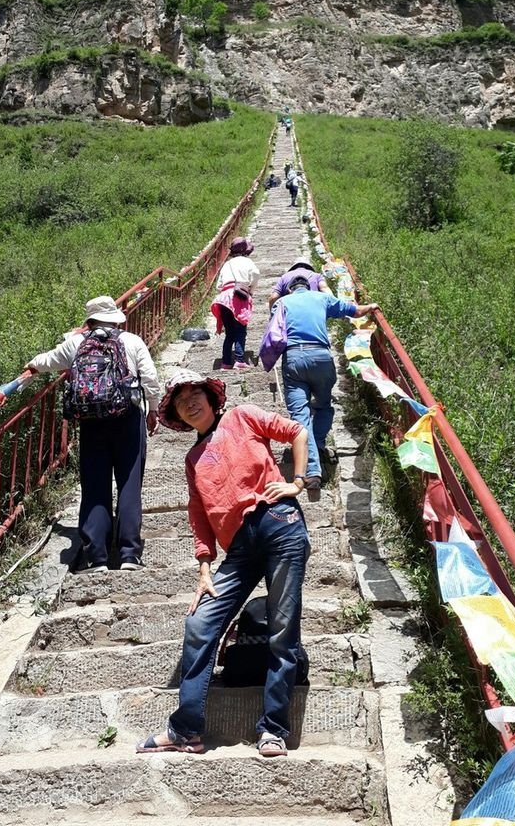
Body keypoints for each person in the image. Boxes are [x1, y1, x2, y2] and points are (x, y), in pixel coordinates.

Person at [136, 369, 310, 757]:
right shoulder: (193, 458)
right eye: (181, 403)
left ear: (212, 397)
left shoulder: (242, 416)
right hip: (240, 550)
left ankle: (273, 729)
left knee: (282, 630)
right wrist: (203, 565)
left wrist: (297, 482)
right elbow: (198, 512)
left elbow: (296, 430)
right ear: (178, 417)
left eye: (195, 394)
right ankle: (186, 730)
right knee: (200, 623)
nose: (190, 403)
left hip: (279, 524)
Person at [25, 296, 161, 573]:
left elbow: (47, 360)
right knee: (129, 484)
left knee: (95, 486)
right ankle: (128, 555)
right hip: (128, 416)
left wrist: (30, 366)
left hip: (91, 420)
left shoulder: (77, 343)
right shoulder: (131, 341)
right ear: (115, 319)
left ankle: (96, 556)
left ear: (89, 320)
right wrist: (153, 410)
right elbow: (150, 378)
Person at [276, 277, 377, 487]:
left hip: (293, 358)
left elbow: (274, 332)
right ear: (309, 286)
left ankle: (312, 472)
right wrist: (371, 307)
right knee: (323, 406)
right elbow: (355, 311)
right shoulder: (321, 298)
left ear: (290, 289)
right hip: (321, 357)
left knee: (299, 415)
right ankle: (318, 444)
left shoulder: (282, 302)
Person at [211, 237, 260, 371]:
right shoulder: (248, 262)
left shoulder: (227, 264)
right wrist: (250, 290)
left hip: (224, 299)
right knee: (240, 329)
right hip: (239, 296)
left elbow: (219, 285)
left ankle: (226, 362)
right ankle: (239, 359)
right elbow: (256, 274)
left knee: (229, 332)